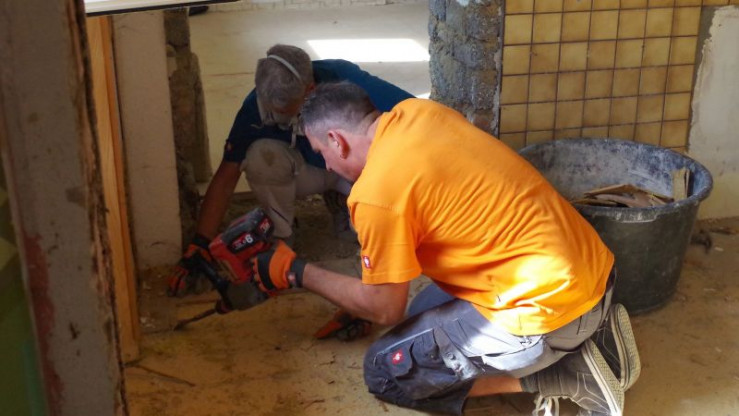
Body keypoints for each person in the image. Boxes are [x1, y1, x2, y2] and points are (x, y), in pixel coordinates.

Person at [245, 81, 641, 415]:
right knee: (419, 315)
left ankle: (565, 374)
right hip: (595, 274)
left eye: (322, 153)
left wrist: (296, 271)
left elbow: (384, 309)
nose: (328, 167)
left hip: (547, 314)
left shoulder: (376, 194)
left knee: (385, 371)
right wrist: (359, 296)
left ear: (337, 140)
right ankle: (597, 337)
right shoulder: (419, 113)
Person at [167, 45, 413, 300]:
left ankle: (346, 201)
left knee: (379, 228)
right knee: (262, 155)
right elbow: (226, 177)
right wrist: (200, 243)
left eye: (285, 112)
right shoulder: (255, 107)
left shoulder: (344, 80)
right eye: (271, 109)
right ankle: (281, 239)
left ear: (310, 90)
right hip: (307, 171)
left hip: (350, 169)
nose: (275, 116)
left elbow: (410, 115)